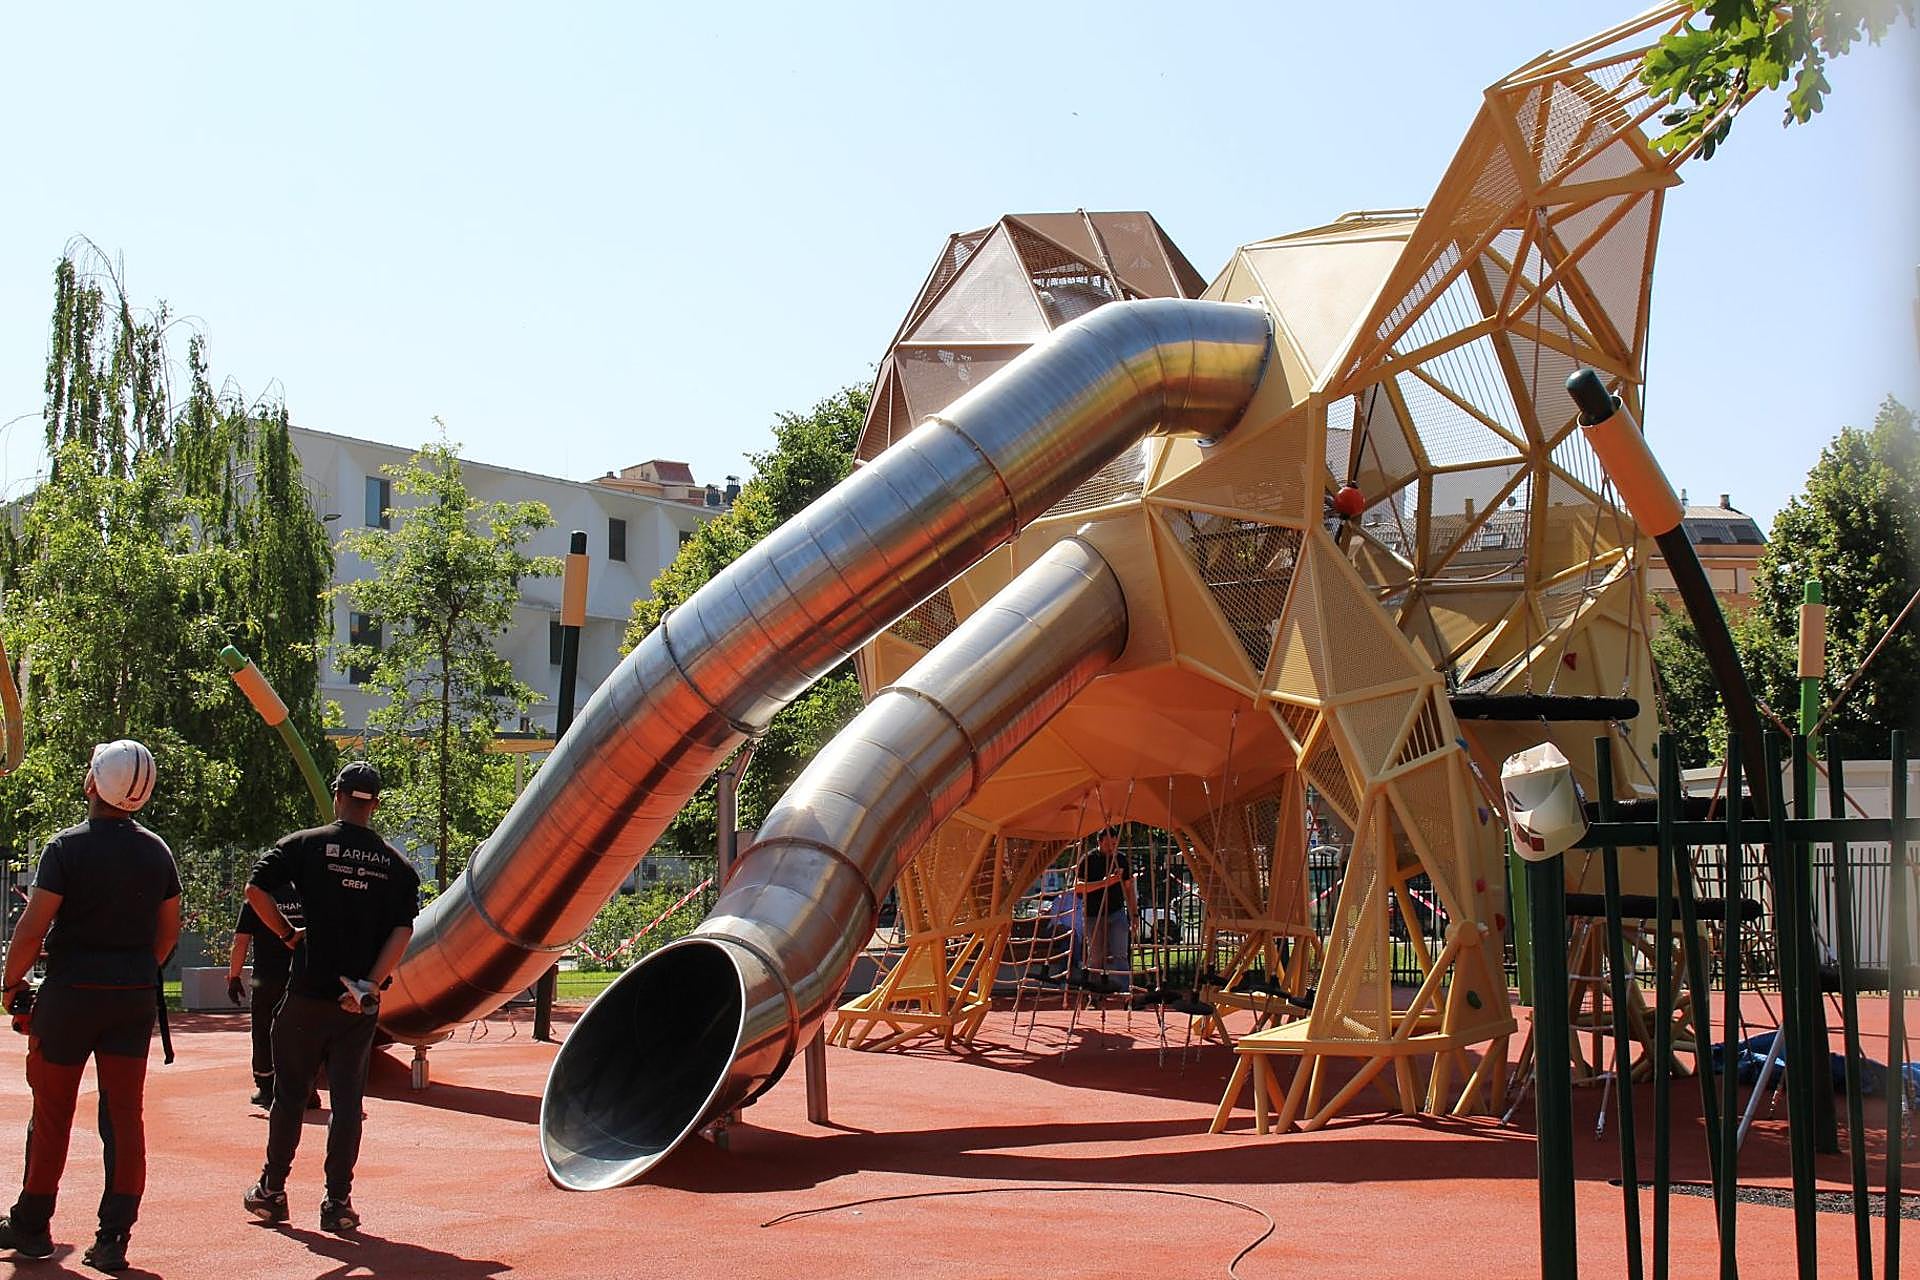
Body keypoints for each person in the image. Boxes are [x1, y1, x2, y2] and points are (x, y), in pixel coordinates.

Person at [0, 740, 180, 1273]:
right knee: (125, 1118)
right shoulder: (157, 852)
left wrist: (11, 985)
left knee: (52, 1114)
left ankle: (32, 1226)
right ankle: (114, 1238)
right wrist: (131, 972)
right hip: (130, 999)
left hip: (70, 996)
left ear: (93, 782)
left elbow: (32, 929)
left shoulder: (65, 848)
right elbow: (167, 935)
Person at [241, 761, 417, 1235]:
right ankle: (337, 1202)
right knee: (347, 1102)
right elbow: (403, 930)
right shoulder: (398, 867)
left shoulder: (305, 845)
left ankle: (272, 1191)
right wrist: (372, 984)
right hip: (356, 1004)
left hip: (306, 995)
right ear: (374, 804)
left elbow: (255, 890)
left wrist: (287, 935)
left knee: (290, 1096)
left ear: (338, 795)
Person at [226, 884, 322, 1109]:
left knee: (264, 1032)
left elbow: (240, 941)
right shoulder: (309, 895)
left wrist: (234, 977)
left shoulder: (257, 900)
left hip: (267, 979)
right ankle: (307, 1088)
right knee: (304, 1034)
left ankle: (267, 1088)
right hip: (304, 977)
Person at [1074, 828, 1137, 994]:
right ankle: (1094, 994)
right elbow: (1078, 888)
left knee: (1121, 953)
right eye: (1109, 844)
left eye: (1115, 844)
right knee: (1096, 958)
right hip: (1094, 914)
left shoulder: (1121, 859)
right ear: (1100, 842)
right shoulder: (1088, 860)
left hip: (1116, 912)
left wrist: (1134, 913)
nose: (1112, 847)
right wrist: (1105, 883)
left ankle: (1124, 992)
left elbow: (1129, 888)